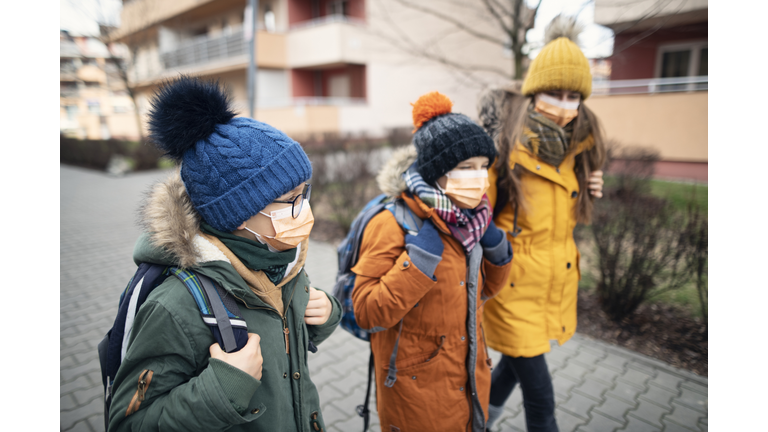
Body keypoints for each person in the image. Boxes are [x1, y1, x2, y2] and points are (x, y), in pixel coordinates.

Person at [107, 76, 341, 432]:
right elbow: (128, 423)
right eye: (289, 201)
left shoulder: (280, 259)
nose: (303, 210)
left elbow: (285, 339)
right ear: (234, 212)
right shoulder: (175, 305)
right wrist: (221, 387)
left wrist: (325, 315)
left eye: (304, 194)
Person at [351, 92, 513, 432]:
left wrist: (497, 248)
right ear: (436, 171)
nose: (479, 178)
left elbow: (484, 293)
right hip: (416, 394)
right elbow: (367, 312)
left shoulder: (473, 221)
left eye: (484, 166)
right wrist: (419, 260)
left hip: (470, 378)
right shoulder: (393, 223)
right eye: (465, 167)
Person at [476, 16, 607, 431]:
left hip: (553, 286)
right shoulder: (503, 148)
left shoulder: (577, 149)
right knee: (541, 398)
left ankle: (479, 422)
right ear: (534, 92)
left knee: (515, 369)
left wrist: (587, 187)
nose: (564, 104)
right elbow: (477, 219)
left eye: (573, 96)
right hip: (512, 288)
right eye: (554, 92)